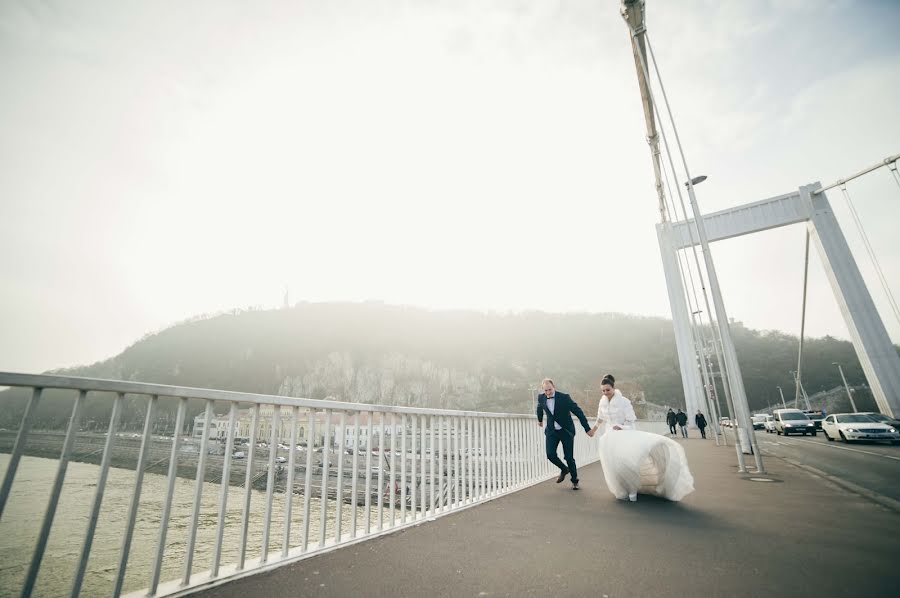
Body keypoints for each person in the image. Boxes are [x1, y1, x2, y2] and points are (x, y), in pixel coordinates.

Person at [591, 374, 695, 503]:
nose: (606, 392)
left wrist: (621, 427)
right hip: (610, 437)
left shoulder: (623, 401)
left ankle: (632, 490)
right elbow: (600, 417)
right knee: (614, 466)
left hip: (624, 435)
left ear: (613, 388)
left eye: (608, 390)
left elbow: (631, 419)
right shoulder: (602, 402)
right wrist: (593, 430)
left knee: (628, 464)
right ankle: (622, 489)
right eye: (603, 390)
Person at [536, 378, 591, 490]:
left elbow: (578, 412)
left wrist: (587, 428)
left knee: (569, 457)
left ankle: (575, 481)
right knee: (550, 454)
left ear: (554, 387)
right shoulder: (541, 397)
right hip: (552, 431)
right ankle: (564, 469)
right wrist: (540, 419)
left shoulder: (564, 397)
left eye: (550, 390)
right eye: (546, 390)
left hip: (566, 431)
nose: (548, 392)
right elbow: (539, 407)